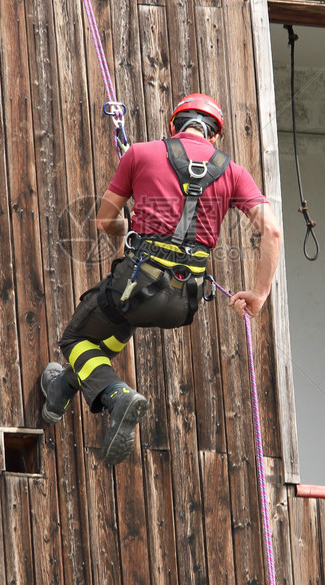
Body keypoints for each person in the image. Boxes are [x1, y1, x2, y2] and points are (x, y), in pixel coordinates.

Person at [40, 93, 282, 466]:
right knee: (115, 328)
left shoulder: (139, 153)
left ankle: (116, 396)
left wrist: (132, 227)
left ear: (173, 126)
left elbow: (105, 221)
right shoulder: (233, 172)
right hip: (183, 303)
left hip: (137, 285)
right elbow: (273, 232)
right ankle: (61, 390)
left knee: (76, 338)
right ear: (215, 137)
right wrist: (260, 294)